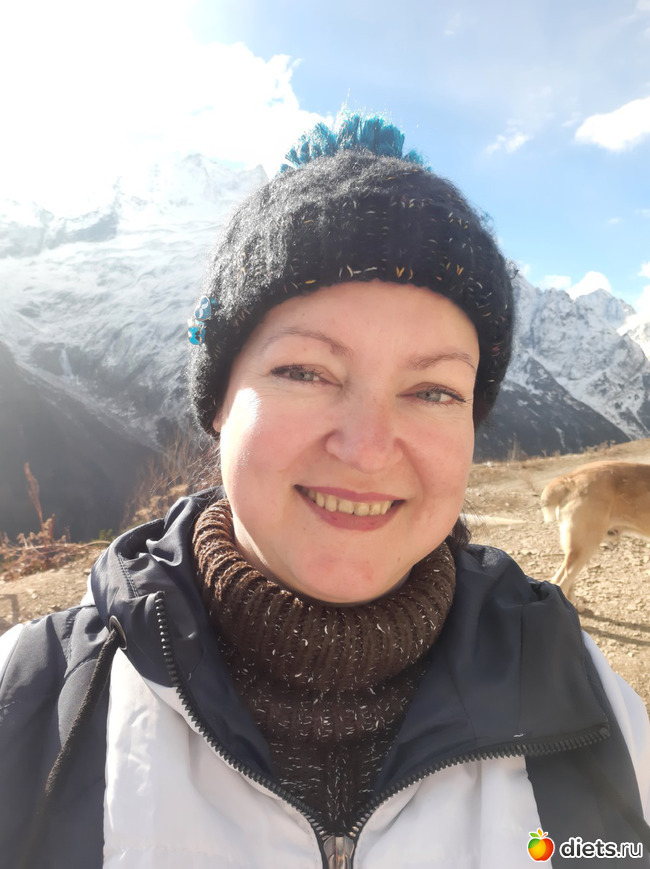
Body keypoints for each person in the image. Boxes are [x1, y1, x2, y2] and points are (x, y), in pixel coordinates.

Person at [0, 113, 648, 869]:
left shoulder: (595, 711)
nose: (367, 450)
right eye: (305, 372)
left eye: (434, 390)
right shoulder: (32, 710)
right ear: (217, 402)